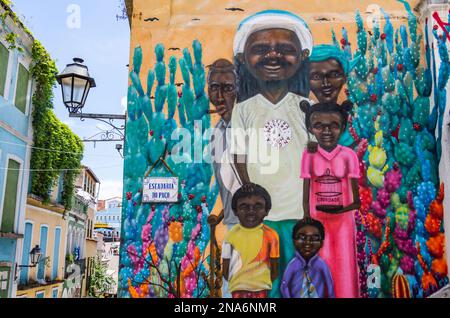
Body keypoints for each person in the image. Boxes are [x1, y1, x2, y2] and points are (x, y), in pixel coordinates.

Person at [230, 9, 314, 297]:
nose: (273, 56)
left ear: (302, 55)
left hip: (296, 210)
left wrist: (306, 208)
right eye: (262, 49)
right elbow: (238, 154)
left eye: (285, 49)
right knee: (264, 275)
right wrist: (249, 190)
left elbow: (312, 160)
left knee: (295, 270)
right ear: (243, 58)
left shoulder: (305, 107)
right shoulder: (244, 109)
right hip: (260, 215)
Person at [300, 101, 361, 298]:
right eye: (319, 126)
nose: (326, 131)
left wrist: (339, 210)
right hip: (317, 223)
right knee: (319, 268)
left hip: (343, 223)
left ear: (342, 127)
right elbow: (305, 195)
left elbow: (357, 201)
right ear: (310, 128)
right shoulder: (308, 155)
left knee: (345, 268)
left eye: (333, 125)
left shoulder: (349, 156)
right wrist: (308, 220)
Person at [207, 58, 241, 298]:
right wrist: (220, 214)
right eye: (214, 88)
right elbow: (231, 187)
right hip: (232, 227)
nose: (219, 97)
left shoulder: (250, 127)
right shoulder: (217, 134)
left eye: (227, 88)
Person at [222, 183, 279, 298]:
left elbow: (274, 269)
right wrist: (239, 282)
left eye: (258, 206)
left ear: (267, 210)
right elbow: (225, 269)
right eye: (244, 206)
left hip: (261, 290)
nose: (251, 211)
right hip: (237, 289)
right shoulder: (230, 235)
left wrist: (259, 283)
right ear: (235, 211)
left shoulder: (271, 235)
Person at [309, 44, 354, 147]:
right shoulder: (301, 120)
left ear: (345, 77)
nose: (326, 84)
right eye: (316, 77)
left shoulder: (357, 124)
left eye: (334, 75)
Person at [281, 217, 334, 298]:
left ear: (321, 243)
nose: (308, 242)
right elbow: (284, 286)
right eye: (302, 237)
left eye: (314, 238)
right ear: (294, 241)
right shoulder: (293, 264)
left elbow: (330, 285)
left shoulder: (321, 265)